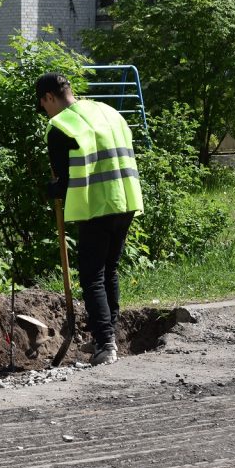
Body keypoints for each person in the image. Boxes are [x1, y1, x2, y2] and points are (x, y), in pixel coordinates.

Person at [35, 72, 143, 366]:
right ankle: (106, 337)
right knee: (109, 270)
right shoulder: (107, 112)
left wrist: (50, 190)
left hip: (97, 206)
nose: (45, 112)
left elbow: (65, 181)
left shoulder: (60, 127)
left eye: (43, 106)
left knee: (93, 275)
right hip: (127, 200)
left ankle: (105, 344)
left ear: (49, 98)